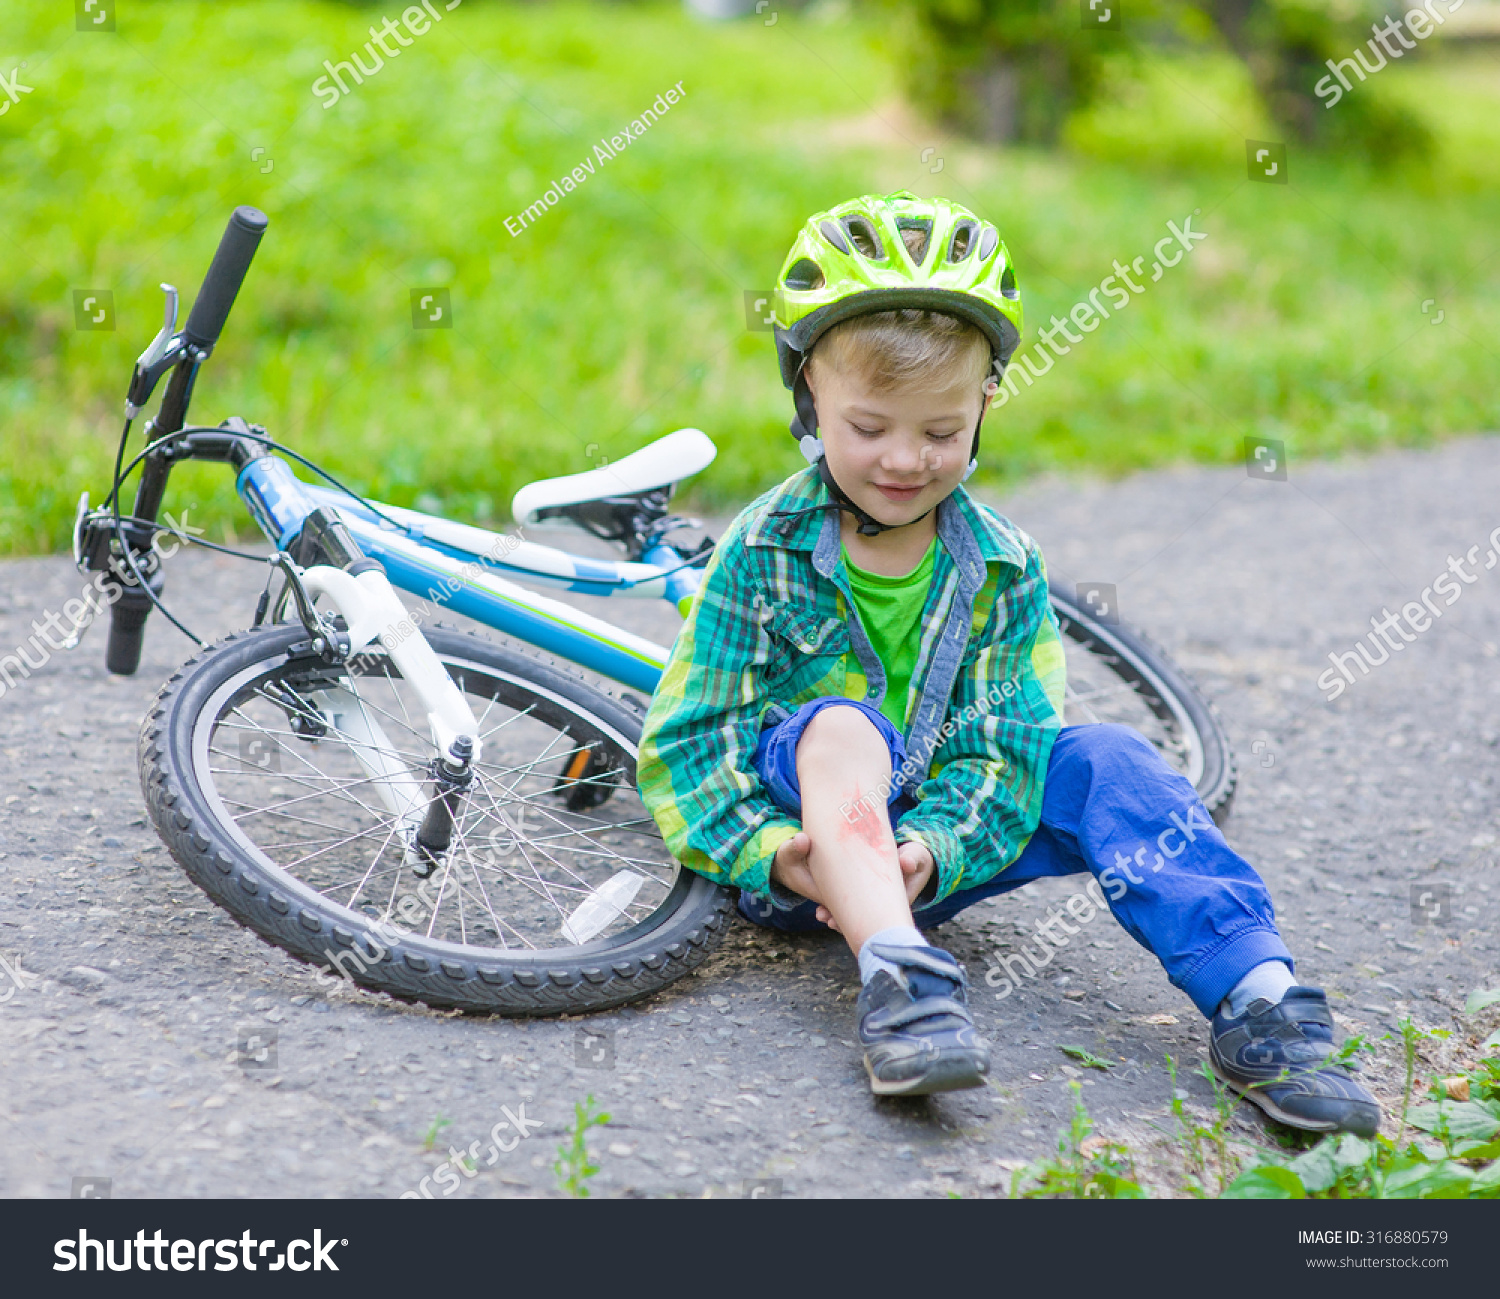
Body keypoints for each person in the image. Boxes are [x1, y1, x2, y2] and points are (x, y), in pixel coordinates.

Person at [636, 191, 1379, 1133]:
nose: (906, 459)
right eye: (869, 428)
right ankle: (898, 980)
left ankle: (1259, 1002)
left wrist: (933, 848)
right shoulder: (762, 548)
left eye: (941, 432)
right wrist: (777, 858)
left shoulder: (1000, 564)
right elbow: (692, 742)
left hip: (945, 849)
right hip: (802, 855)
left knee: (1109, 759)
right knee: (840, 723)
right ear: (808, 398)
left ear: (983, 408)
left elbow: (1010, 745)